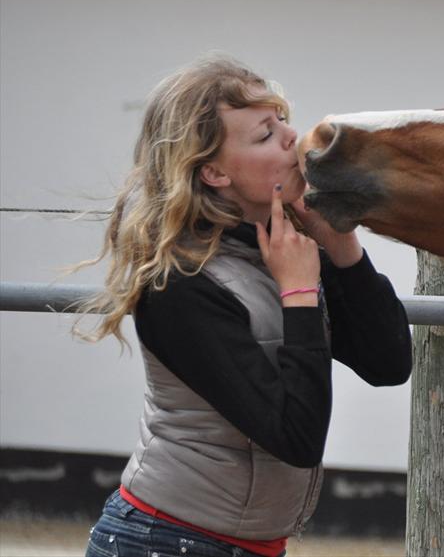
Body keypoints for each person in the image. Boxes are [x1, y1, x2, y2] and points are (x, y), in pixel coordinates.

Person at [77, 56, 412, 557]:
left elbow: (389, 363)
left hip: (241, 545)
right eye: (263, 135)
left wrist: (342, 249)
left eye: (281, 120)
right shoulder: (180, 281)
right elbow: (295, 438)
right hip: (163, 541)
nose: (291, 138)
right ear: (213, 172)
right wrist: (299, 296)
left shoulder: (281, 250)